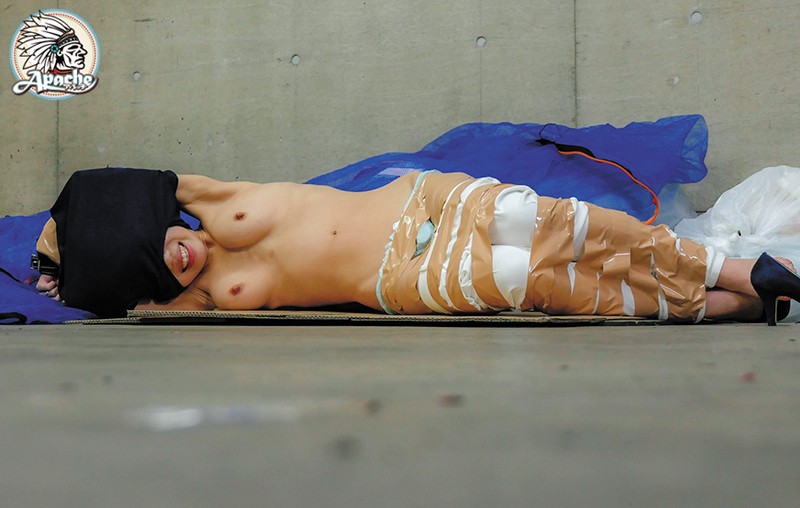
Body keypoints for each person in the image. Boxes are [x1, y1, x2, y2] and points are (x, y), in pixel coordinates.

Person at [36, 168, 800, 325]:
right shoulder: (194, 299)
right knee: (529, 277)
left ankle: (734, 271)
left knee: (547, 223)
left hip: (420, 203)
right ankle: (729, 306)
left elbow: (116, 188)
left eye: (160, 242)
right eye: (156, 271)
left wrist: (62, 232)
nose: (176, 259)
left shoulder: (208, 199)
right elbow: (120, 304)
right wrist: (61, 272)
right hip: (400, 276)